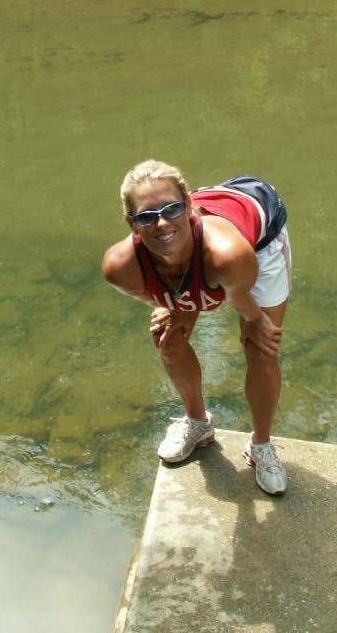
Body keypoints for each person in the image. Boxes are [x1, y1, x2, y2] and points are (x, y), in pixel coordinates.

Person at [101, 160, 292, 495]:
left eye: (172, 209)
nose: (161, 223)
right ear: (130, 222)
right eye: (146, 216)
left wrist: (256, 321)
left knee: (260, 348)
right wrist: (173, 307)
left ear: (188, 204)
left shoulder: (228, 256)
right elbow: (165, 294)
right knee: (168, 337)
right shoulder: (120, 267)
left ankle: (261, 445)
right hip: (206, 241)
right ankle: (198, 422)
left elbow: (236, 298)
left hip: (258, 237)